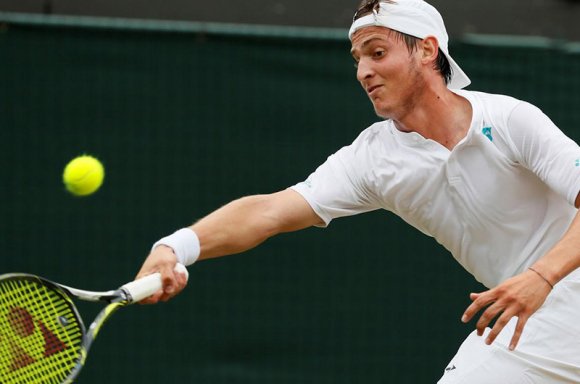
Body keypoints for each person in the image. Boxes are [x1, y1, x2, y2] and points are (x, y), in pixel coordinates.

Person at [136, 0, 580, 382]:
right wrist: (175, 247)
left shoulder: (509, 120)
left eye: (378, 52)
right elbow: (269, 212)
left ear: (427, 50)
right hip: (531, 330)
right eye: (358, 59)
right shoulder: (373, 158)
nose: (364, 71)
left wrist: (541, 277)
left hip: (543, 300)